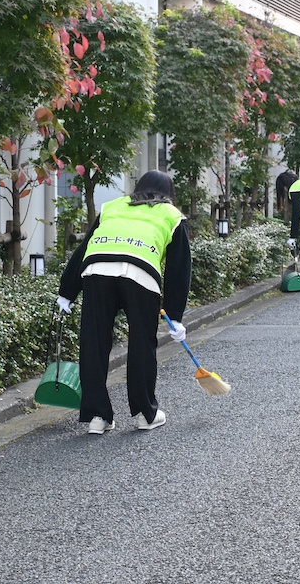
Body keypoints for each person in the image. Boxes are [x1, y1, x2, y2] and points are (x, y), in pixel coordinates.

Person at [56, 170, 191, 434]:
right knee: (142, 342)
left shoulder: (113, 206)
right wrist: (174, 316)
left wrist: (67, 292)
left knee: (94, 342)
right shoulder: (172, 215)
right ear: (169, 194)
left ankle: (97, 416)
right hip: (141, 275)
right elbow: (179, 269)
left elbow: (83, 248)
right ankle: (145, 414)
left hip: (97, 270)